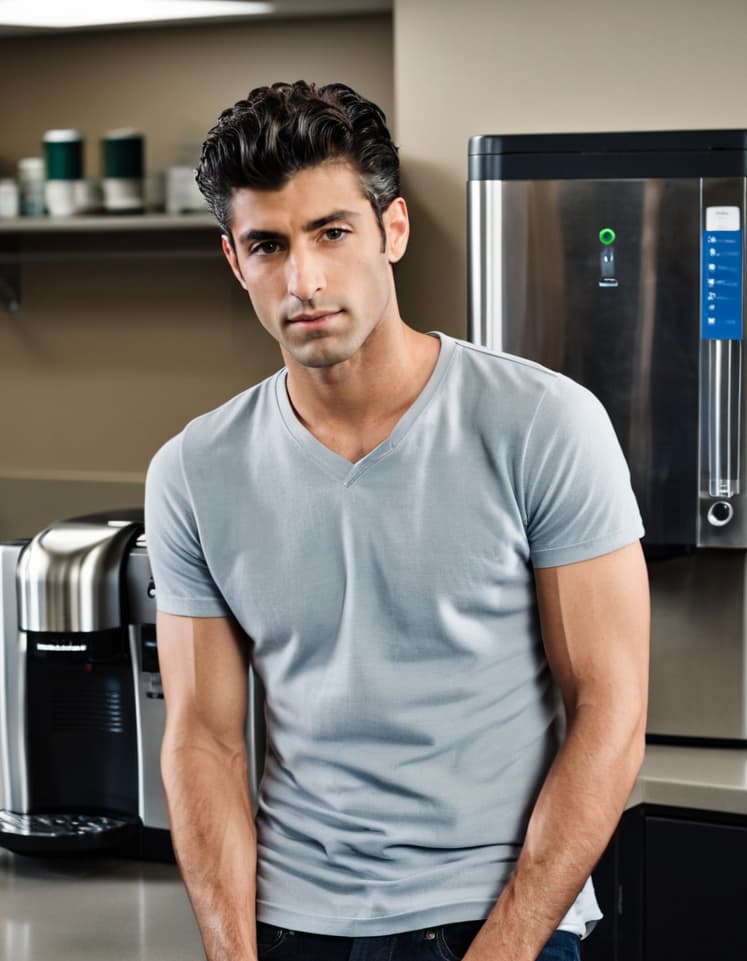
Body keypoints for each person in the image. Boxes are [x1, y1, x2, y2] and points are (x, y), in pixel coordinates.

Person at [144, 80, 649, 961]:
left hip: (496, 914)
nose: (303, 279)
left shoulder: (543, 423)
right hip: (293, 922)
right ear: (235, 261)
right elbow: (205, 741)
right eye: (268, 244)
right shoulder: (193, 470)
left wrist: (507, 944)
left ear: (393, 230)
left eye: (331, 231)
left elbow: (608, 710)